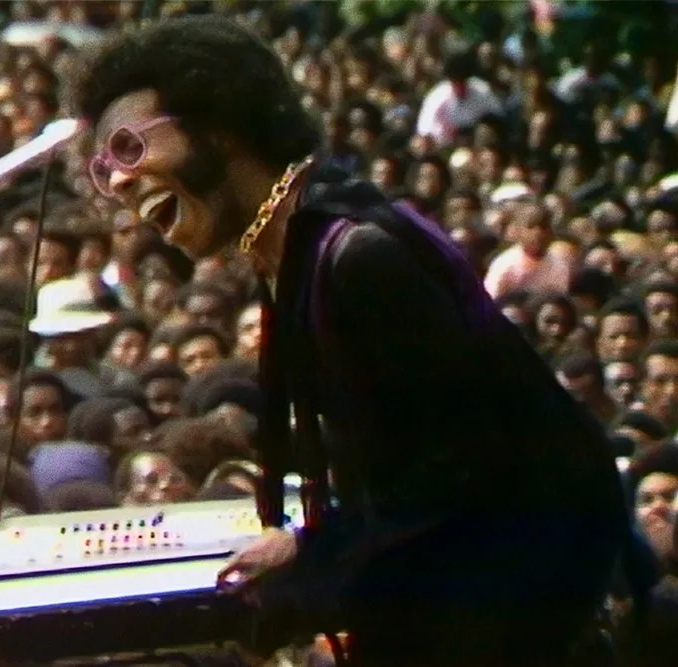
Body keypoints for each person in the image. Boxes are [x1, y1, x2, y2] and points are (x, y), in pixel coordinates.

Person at [69, 16, 631, 667]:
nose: (119, 184)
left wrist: (316, 574)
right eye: (103, 169)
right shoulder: (292, 251)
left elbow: (458, 480)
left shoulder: (360, 258)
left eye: (130, 150)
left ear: (218, 125)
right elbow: (397, 474)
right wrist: (310, 545)